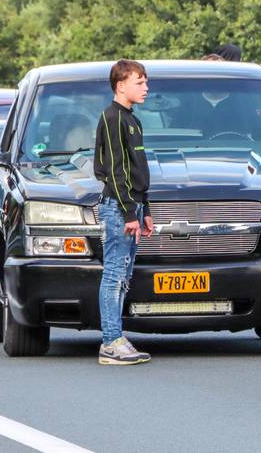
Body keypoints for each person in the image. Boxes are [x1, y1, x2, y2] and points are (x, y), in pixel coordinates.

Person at [93, 59, 155, 365]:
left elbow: (138, 169)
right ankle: (110, 341)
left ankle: (116, 336)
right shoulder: (112, 118)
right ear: (121, 85)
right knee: (114, 274)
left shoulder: (133, 119)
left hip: (132, 206)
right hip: (118, 207)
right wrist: (130, 211)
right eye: (139, 82)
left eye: (145, 81)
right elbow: (115, 171)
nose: (146, 87)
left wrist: (145, 208)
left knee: (124, 276)